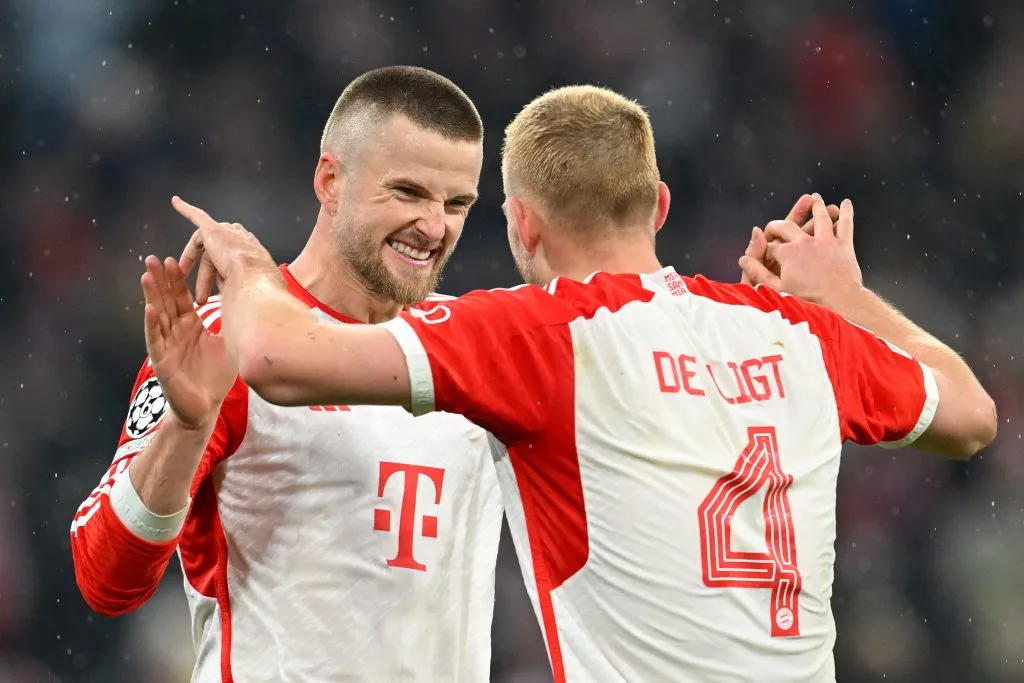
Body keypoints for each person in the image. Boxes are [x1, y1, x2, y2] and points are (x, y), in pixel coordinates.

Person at [169, 85, 997, 682]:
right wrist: (845, 298)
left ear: (521, 222)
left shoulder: (540, 335)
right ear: (660, 205)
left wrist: (248, 271)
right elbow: (971, 414)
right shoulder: (800, 334)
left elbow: (276, 357)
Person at [70, 66, 505, 683]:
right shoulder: (227, 336)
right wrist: (187, 428)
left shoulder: (480, 348)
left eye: (456, 203)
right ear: (331, 180)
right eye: (407, 193)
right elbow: (104, 580)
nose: (435, 228)